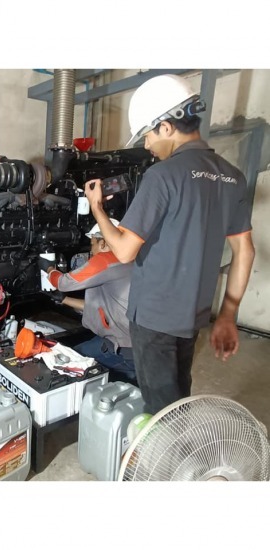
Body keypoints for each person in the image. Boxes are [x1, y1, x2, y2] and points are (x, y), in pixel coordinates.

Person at [84, 74, 255, 415]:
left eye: (147, 135)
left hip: (154, 317)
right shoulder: (233, 177)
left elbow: (124, 250)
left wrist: (98, 209)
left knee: (161, 409)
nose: (147, 145)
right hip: (193, 315)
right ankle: (179, 433)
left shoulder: (162, 175)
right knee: (178, 390)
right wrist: (228, 314)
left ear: (166, 126)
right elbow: (244, 252)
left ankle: (173, 448)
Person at [44, 218, 137, 384]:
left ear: (103, 243)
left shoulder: (106, 259)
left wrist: (48, 267)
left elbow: (63, 283)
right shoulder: (132, 259)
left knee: (71, 361)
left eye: (92, 244)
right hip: (137, 343)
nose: (91, 250)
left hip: (122, 349)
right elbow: (101, 308)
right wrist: (64, 299)